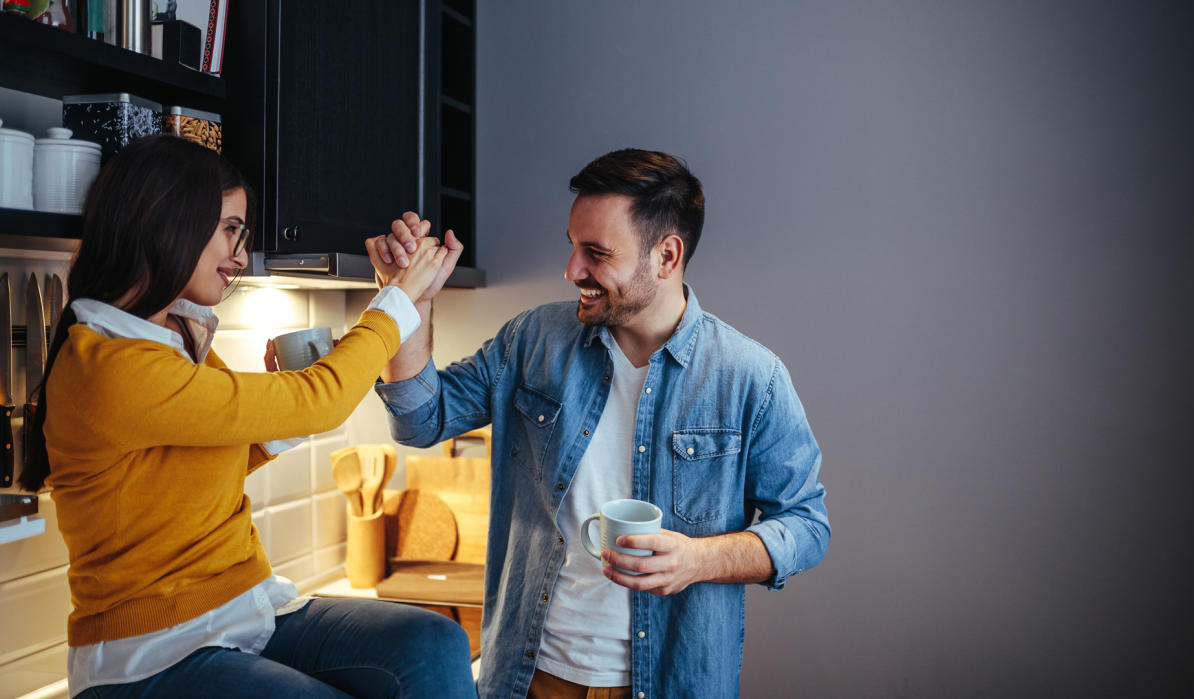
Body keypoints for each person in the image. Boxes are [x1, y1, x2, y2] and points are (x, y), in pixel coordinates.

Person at [19, 135, 477, 698]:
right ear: (169, 222)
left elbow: (206, 467)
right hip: (148, 653)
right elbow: (323, 398)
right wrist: (396, 301)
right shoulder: (109, 365)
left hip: (246, 605)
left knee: (434, 644)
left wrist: (274, 410)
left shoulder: (176, 332)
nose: (239, 253)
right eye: (230, 229)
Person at [366, 148, 830, 698]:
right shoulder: (533, 341)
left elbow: (806, 526)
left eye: (596, 253)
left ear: (666, 256)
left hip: (669, 682)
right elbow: (421, 420)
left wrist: (698, 560)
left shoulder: (750, 376)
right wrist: (406, 300)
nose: (571, 271)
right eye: (572, 246)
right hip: (531, 678)